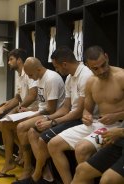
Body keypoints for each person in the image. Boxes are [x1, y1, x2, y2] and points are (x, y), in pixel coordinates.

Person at [48, 45, 124, 184]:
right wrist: (86, 115)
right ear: (88, 66)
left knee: (81, 148)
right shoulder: (91, 82)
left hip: (117, 126)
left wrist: (116, 116)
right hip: (98, 123)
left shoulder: (121, 77)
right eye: (95, 68)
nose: (101, 71)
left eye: (103, 65)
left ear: (107, 57)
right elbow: (87, 109)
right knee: (54, 144)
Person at [26, 46, 92, 183]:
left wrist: (52, 122)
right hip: (73, 117)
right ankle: (44, 175)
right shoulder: (69, 78)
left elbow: (78, 112)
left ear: (65, 64)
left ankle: (39, 176)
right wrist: (48, 118)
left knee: (45, 138)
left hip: (83, 119)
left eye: (57, 67)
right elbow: (65, 108)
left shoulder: (86, 76)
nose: (57, 70)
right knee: (33, 131)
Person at [14, 57, 65, 183]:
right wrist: (29, 110)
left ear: (38, 69)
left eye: (31, 74)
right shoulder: (40, 78)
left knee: (21, 127)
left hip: (56, 115)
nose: (30, 78)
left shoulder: (51, 78)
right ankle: (40, 169)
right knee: (24, 129)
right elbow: (43, 105)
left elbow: (51, 109)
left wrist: (32, 116)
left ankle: (29, 167)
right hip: (44, 112)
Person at [0, 49, 38, 178]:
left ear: (19, 60)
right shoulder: (19, 76)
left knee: (6, 123)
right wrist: (6, 109)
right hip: (24, 111)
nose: (8, 62)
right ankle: (12, 159)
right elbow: (17, 98)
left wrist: (17, 109)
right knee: (2, 121)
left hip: (33, 111)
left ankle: (19, 161)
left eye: (11, 59)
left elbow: (33, 96)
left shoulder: (29, 73)